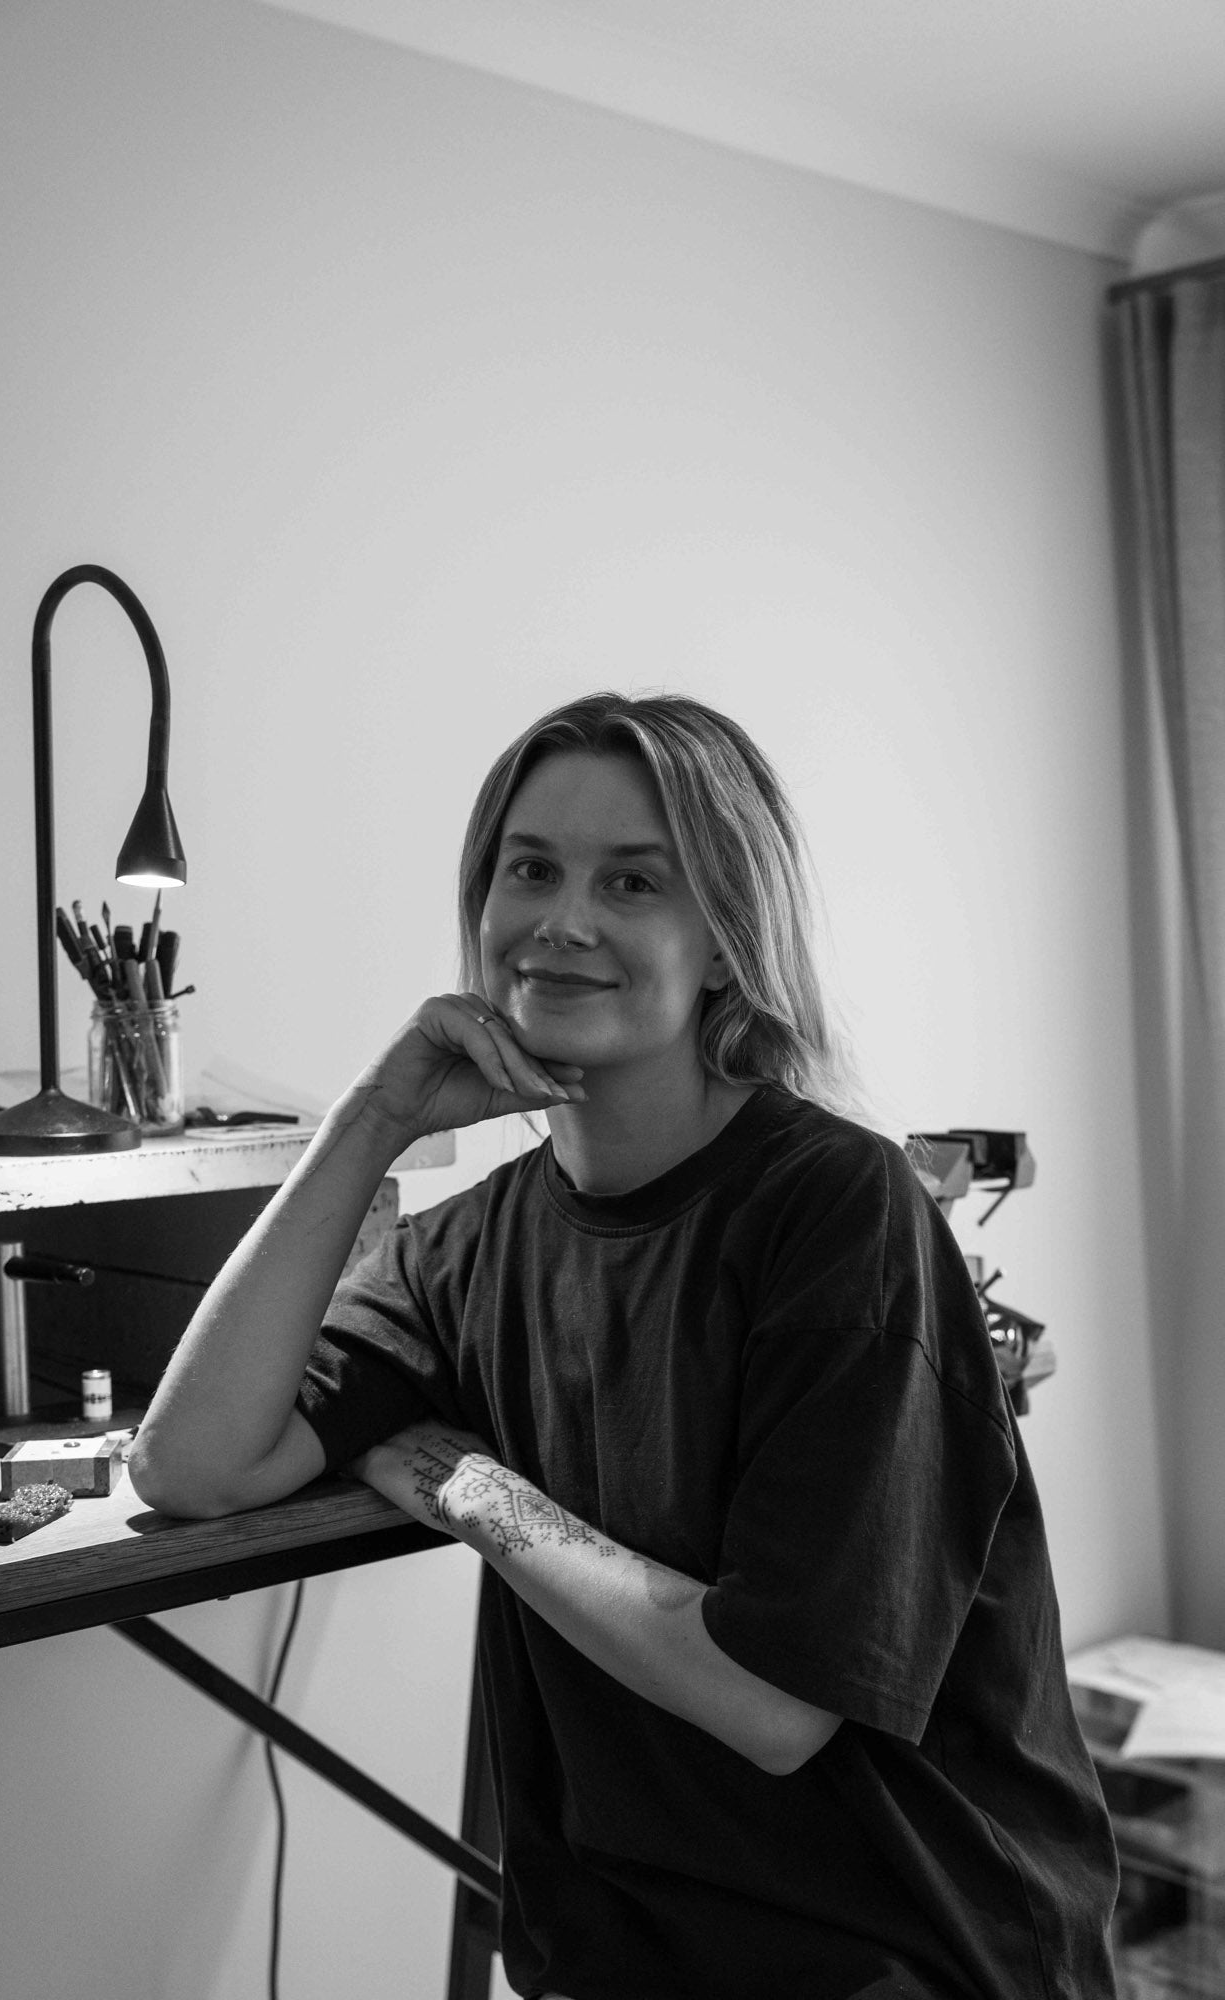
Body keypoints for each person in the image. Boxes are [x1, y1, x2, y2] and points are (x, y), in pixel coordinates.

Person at [130, 692, 1119, 2000]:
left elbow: (773, 1707)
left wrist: (469, 1487)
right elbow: (191, 1464)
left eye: (634, 882)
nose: (562, 920)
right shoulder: (464, 1247)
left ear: (723, 943)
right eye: (530, 869)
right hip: (619, 1959)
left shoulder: (839, 1209)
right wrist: (372, 1117)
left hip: (904, 1957)